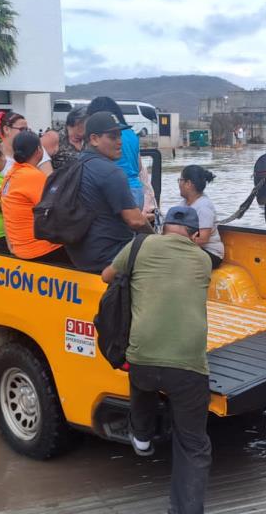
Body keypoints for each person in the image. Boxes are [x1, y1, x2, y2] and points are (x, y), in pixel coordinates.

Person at [101, 206, 212, 514]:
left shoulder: (139, 245)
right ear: (193, 235)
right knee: (193, 445)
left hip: (142, 359)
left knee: (143, 382)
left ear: (164, 228)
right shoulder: (203, 261)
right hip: (188, 366)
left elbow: (106, 276)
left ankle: (142, 436)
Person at [65, 111, 154, 273]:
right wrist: (157, 238)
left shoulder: (75, 164)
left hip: (79, 255)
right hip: (109, 256)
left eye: (120, 136)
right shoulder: (112, 172)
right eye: (113, 137)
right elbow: (136, 222)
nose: (119, 142)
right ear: (94, 139)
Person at [0, 131, 69, 262]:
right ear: (39, 150)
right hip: (39, 249)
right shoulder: (32, 176)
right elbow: (56, 208)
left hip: (20, 247)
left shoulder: (10, 175)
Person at [86, 97, 150, 209]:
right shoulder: (132, 134)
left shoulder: (105, 137)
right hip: (137, 190)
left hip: (118, 192)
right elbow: (139, 167)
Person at [178, 165, 224, 268]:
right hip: (192, 248)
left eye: (180, 180)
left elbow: (203, 240)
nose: (179, 184)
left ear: (188, 184)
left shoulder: (204, 207)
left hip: (210, 254)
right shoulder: (183, 204)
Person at [0, 111, 52, 177]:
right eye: (22, 129)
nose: (25, 133)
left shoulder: (36, 148)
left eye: (27, 129)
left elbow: (48, 176)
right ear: (6, 129)